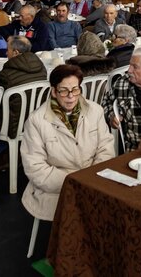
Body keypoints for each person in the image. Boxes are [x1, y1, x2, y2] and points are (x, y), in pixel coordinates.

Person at [21, 64, 116, 221]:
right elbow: (35, 168)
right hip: (57, 190)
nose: (71, 96)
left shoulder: (95, 111)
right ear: (54, 91)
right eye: (64, 91)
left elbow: (106, 148)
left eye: (75, 89)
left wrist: (91, 177)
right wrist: (75, 181)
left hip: (94, 182)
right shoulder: (36, 121)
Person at [0, 35, 48, 138]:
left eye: (8, 50)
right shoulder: (42, 68)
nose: (6, 53)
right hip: (39, 121)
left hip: (14, 127)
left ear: (16, 52)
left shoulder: (5, 75)